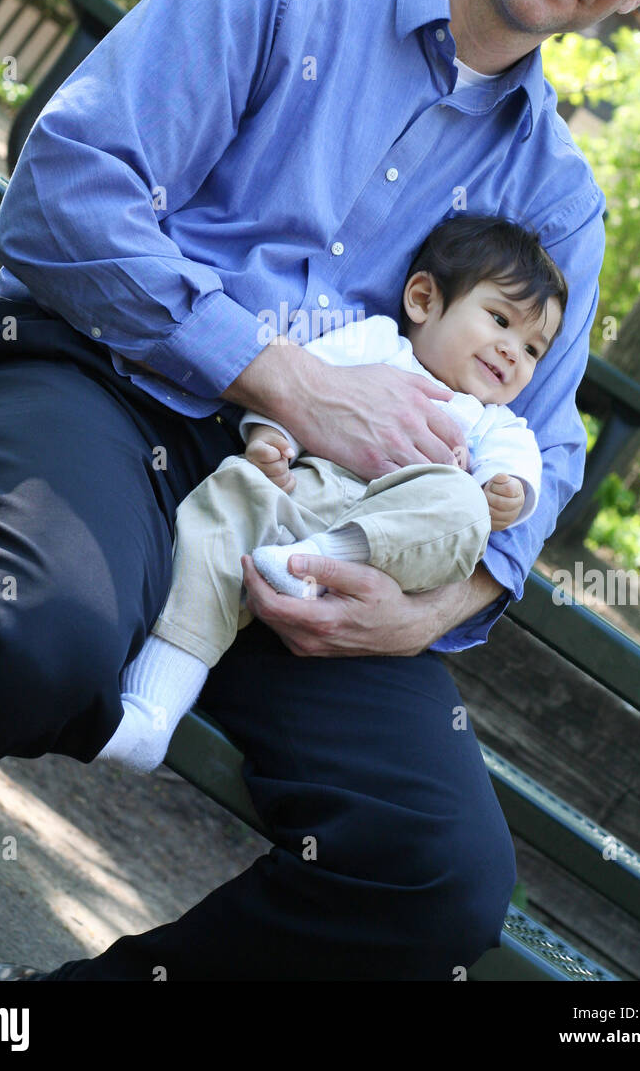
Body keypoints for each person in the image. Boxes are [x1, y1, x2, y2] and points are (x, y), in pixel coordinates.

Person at [0, 0, 640, 982]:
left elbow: (542, 453)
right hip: (95, 390)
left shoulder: (559, 202)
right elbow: (69, 187)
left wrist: (436, 604)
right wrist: (277, 373)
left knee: (437, 876)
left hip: (330, 533)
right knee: (34, 641)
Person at [98, 213, 566, 775]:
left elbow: (520, 471)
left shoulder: (493, 424)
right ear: (423, 299)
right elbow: (304, 388)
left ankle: (320, 562)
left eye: (534, 348)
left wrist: (507, 492)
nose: (513, 351)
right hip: (305, 493)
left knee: (462, 508)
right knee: (228, 497)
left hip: (381, 549)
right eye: (499, 319)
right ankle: (153, 708)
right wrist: (272, 440)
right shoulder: (373, 343)